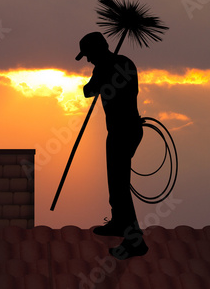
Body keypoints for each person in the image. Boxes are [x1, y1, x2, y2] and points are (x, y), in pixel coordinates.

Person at [76, 32, 148, 259]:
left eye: (88, 55)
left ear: (98, 50)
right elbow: (91, 91)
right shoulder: (122, 63)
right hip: (124, 130)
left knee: (119, 184)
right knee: (116, 183)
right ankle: (118, 223)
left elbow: (89, 91)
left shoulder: (110, 67)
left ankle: (134, 241)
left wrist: (102, 78)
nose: (88, 60)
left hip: (123, 131)